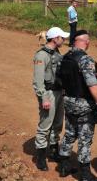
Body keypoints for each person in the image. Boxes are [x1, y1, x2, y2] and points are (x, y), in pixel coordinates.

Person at [58, 30, 97, 181]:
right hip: (84, 104)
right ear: (86, 42)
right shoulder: (85, 60)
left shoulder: (65, 57)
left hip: (68, 101)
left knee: (70, 133)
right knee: (85, 139)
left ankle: (64, 166)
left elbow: (60, 79)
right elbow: (92, 84)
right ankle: (85, 175)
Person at [33, 27, 69, 171]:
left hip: (59, 92)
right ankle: (40, 158)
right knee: (45, 125)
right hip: (48, 93)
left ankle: (54, 151)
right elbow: (38, 80)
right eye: (62, 37)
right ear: (55, 38)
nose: (64, 40)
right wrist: (44, 98)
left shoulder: (56, 52)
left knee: (58, 123)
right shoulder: (41, 55)